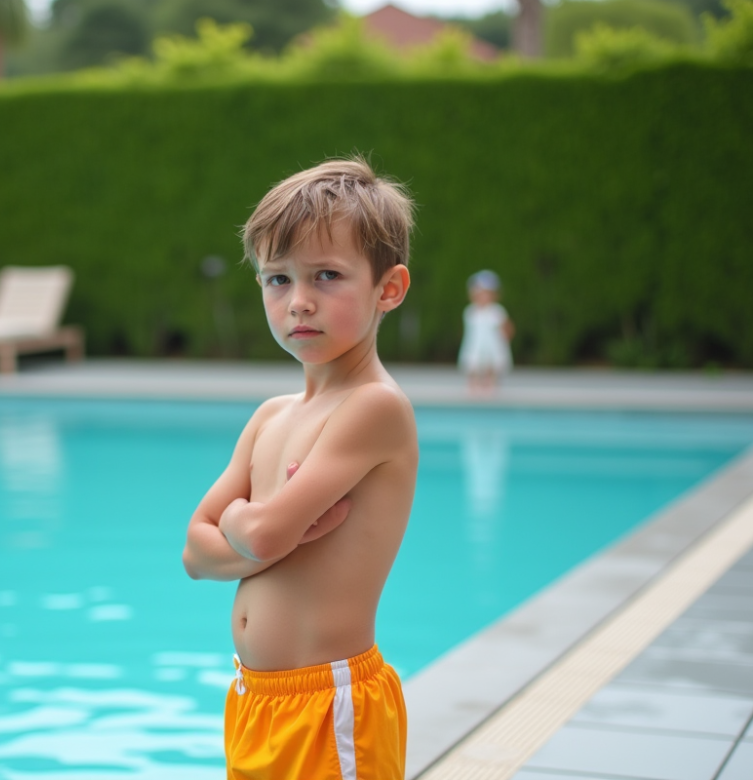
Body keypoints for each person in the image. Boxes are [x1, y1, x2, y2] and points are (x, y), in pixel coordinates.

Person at [182, 157, 418, 779]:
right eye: (278, 279)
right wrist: (259, 530)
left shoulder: (374, 407)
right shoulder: (270, 416)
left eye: (327, 276)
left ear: (388, 289)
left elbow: (252, 535)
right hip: (254, 698)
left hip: (329, 703)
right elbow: (193, 554)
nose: (300, 302)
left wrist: (237, 519)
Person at [458, 270, 514, 396]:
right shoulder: (470, 312)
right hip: (476, 346)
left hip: (492, 346)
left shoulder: (497, 311)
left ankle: (490, 387)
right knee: (473, 365)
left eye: (486, 294)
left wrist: (505, 337)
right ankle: (473, 386)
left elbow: (506, 327)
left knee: (491, 366)